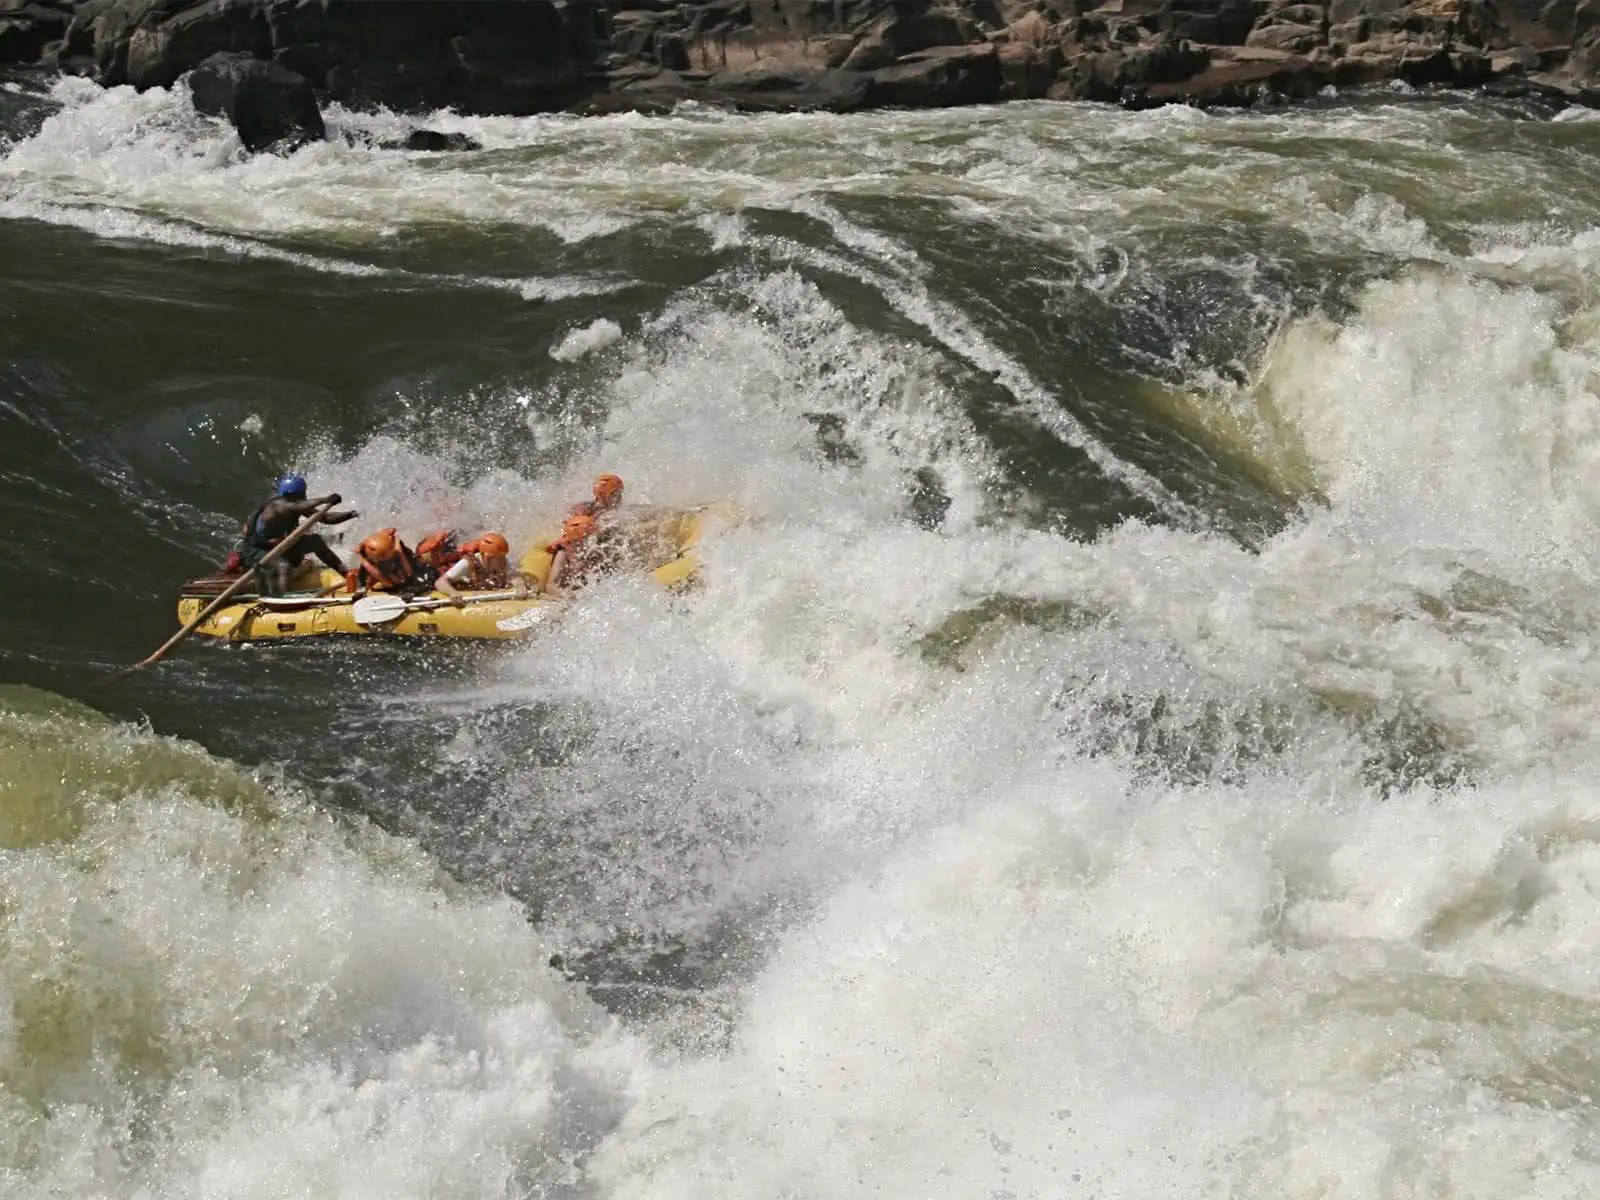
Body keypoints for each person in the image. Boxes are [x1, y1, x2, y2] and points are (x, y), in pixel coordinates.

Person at [236, 474, 357, 594]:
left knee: (315, 541)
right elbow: (296, 506)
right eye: (303, 493)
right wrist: (325, 500)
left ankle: (344, 573)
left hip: (280, 548)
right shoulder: (276, 506)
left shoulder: (296, 506)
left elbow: (325, 518)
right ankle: (278, 599)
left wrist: (351, 514)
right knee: (283, 565)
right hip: (257, 552)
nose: (305, 495)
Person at [436, 532, 527, 600]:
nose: (503, 560)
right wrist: (452, 593)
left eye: (503, 556)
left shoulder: (503, 562)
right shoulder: (468, 563)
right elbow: (440, 582)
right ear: (487, 558)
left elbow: (515, 578)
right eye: (499, 558)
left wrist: (520, 585)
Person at [344, 527, 433, 595]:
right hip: (391, 580)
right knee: (352, 575)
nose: (389, 563)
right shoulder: (370, 564)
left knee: (400, 577)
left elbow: (408, 573)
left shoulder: (397, 553)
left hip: (408, 579)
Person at [541, 513, 597, 598]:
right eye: (577, 541)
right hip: (570, 590)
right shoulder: (562, 553)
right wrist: (563, 594)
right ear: (570, 540)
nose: (581, 545)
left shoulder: (596, 550)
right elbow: (550, 586)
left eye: (585, 540)